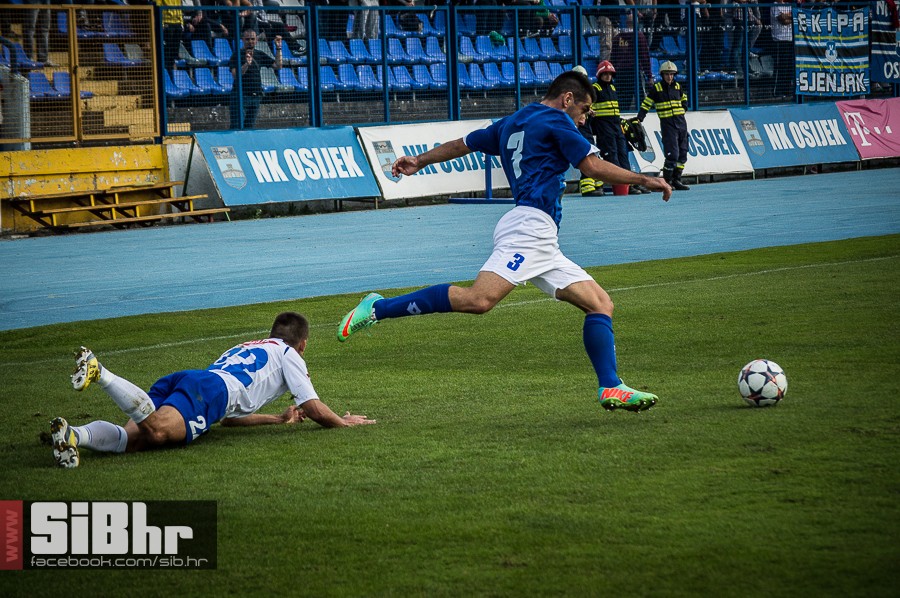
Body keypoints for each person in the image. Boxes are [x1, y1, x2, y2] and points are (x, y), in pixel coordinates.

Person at [337, 71, 671, 413]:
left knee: (600, 303)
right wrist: (644, 177)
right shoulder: (557, 120)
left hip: (540, 236)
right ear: (567, 99)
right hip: (529, 228)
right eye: (584, 109)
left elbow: (463, 144)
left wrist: (420, 160)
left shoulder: (512, 121)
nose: (584, 118)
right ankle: (377, 308)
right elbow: (592, 167)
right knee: (478, 300)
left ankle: (611, 387)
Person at [50, 312, 375, 469]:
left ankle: (73, 436)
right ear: (303, 344)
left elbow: (228, 419)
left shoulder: (247, 345)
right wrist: (342, 422)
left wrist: (277, 419)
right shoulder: (290, 354)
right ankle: (100, 371)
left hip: (195, 382)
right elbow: (313, 406)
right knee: (159, 432)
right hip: (212, 392)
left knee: (134, 442)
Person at [579, 60, 651, 197]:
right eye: (605, 74)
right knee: (612, 156)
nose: (607, 76)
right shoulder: (595, 88)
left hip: (616, 127)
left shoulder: (612, 88)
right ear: (600, 74)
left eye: (610, 74)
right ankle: (620, 186)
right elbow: (587, 104)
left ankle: (629, 185)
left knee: (623, 156)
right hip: (604, 128)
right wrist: (590, 110)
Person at [635, 60, 690, 191]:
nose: (669, 77)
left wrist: (683, 109)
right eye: (667, 74)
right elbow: (646, 104)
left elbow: (684, 100)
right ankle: (667, 181)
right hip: (668, 126)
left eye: (672, 74)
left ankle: (677, 180)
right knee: (672, 155)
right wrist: (639, 118)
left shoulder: (678, 87)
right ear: (662, 75)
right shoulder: (656, 89)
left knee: (683, 154)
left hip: (681, 125)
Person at [229, 27, 282, 129]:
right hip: (241, 96)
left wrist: (278, 48)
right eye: (247, 39)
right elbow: (235, 75)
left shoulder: (259, 54)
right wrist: (246, 64)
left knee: (250, 128)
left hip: (256, 97)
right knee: (236, 127)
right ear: (243, 40)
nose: (250, 42)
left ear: (256, 40)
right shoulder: (236, 55)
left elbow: (278, 65)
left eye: (253, 39)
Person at [770, 0, 794, 99]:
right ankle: (777, 91)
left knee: (789, 67)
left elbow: (792, 17)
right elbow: (783, 20)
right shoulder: (775, 5)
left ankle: (787, 90)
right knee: (781, 66)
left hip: (790, 39)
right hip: (779, 39)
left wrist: (788, 16)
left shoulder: (789, 6)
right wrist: (791, 16)